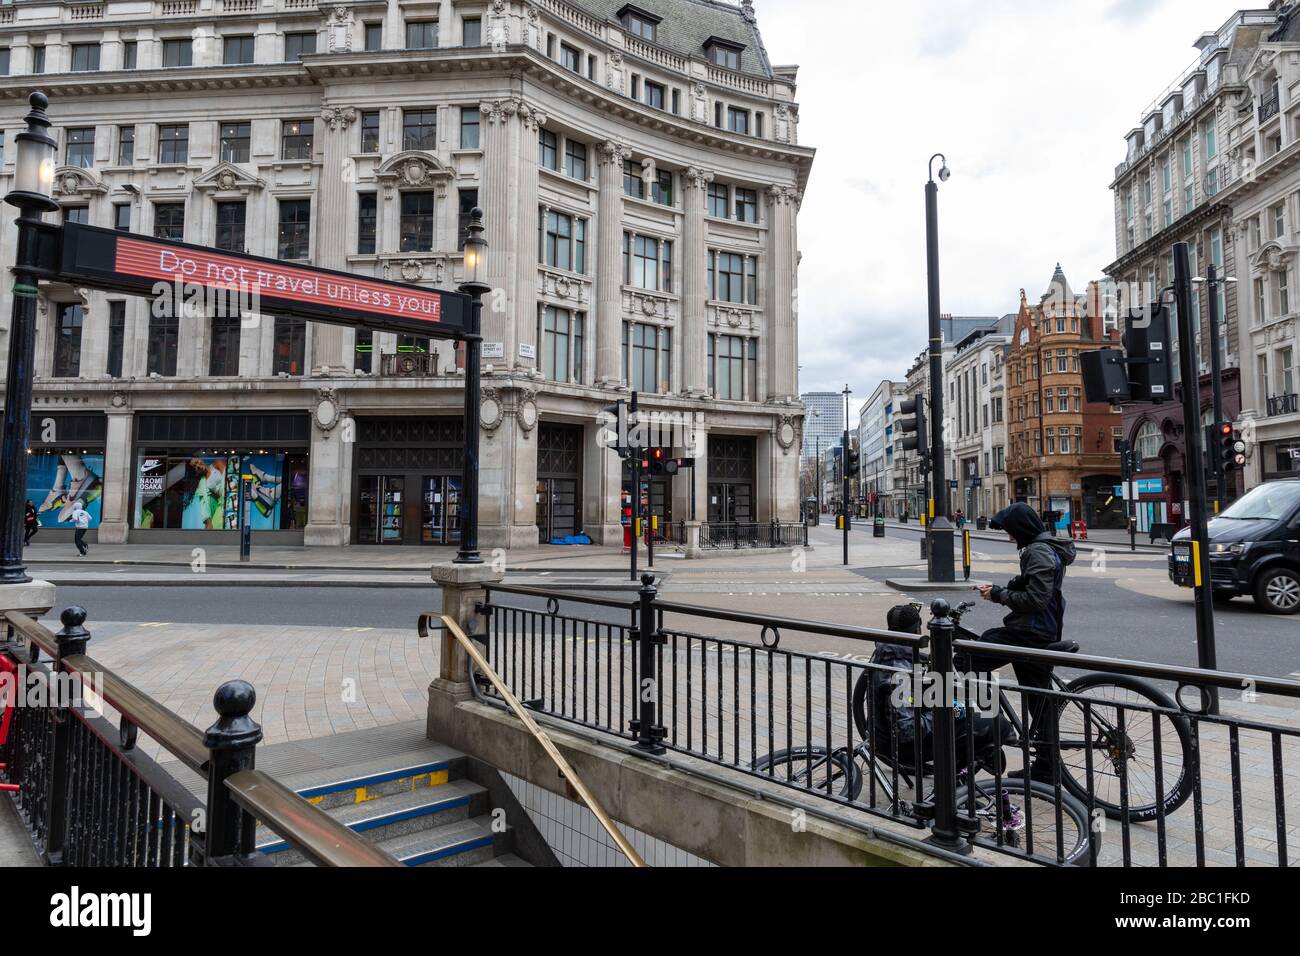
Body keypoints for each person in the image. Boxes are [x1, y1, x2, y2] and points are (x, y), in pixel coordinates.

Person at [968, 501, 1075, 781]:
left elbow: (1037, 599)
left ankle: (998, 726)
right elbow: (1038, 583)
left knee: (967, 657)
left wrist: (999, 596)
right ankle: (1046, 767)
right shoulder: (1044, 547)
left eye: (1010, 531)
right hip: (1043, 628)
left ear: (1021, 528)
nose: (1009, 536)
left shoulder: (1037, 551)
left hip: (1030, 631)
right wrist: (1008, 586)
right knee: (1039, 698)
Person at [868, 603, 1007, 767]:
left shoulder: (886, 652)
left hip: (884, 738)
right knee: (998, 725)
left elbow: (906, 705)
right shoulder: (900, 671)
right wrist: (945, 713)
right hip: (905, 747)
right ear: (917, 630)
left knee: (961, 709)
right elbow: (907, 729)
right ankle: (950, 783)